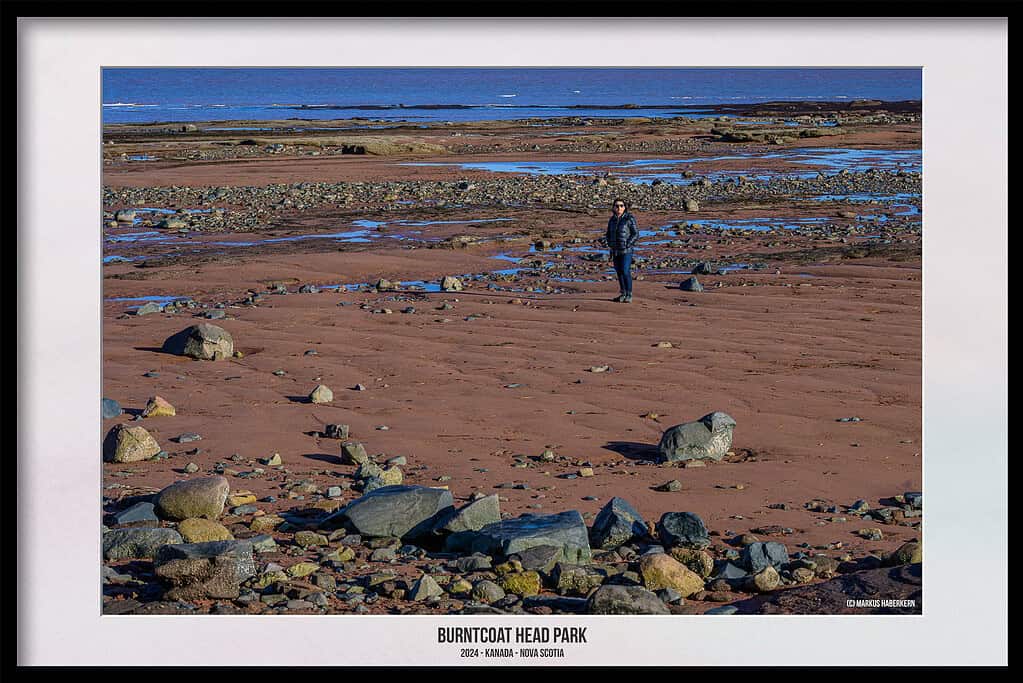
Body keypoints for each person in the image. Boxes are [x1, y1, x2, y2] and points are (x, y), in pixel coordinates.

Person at [604, 198, 639, 302]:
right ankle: (623, 293)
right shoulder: (612, 220)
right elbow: (608, 233)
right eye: (617, 206)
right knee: (619, 272)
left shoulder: (629, 218)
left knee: (625, 271)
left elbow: (635, 233)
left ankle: (629, 294)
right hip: (615, 250)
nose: (619, 208)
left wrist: (628, 244)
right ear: (613, 207)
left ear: (625, 207)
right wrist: (609, 243)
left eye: (621, 205)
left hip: (626, 250)